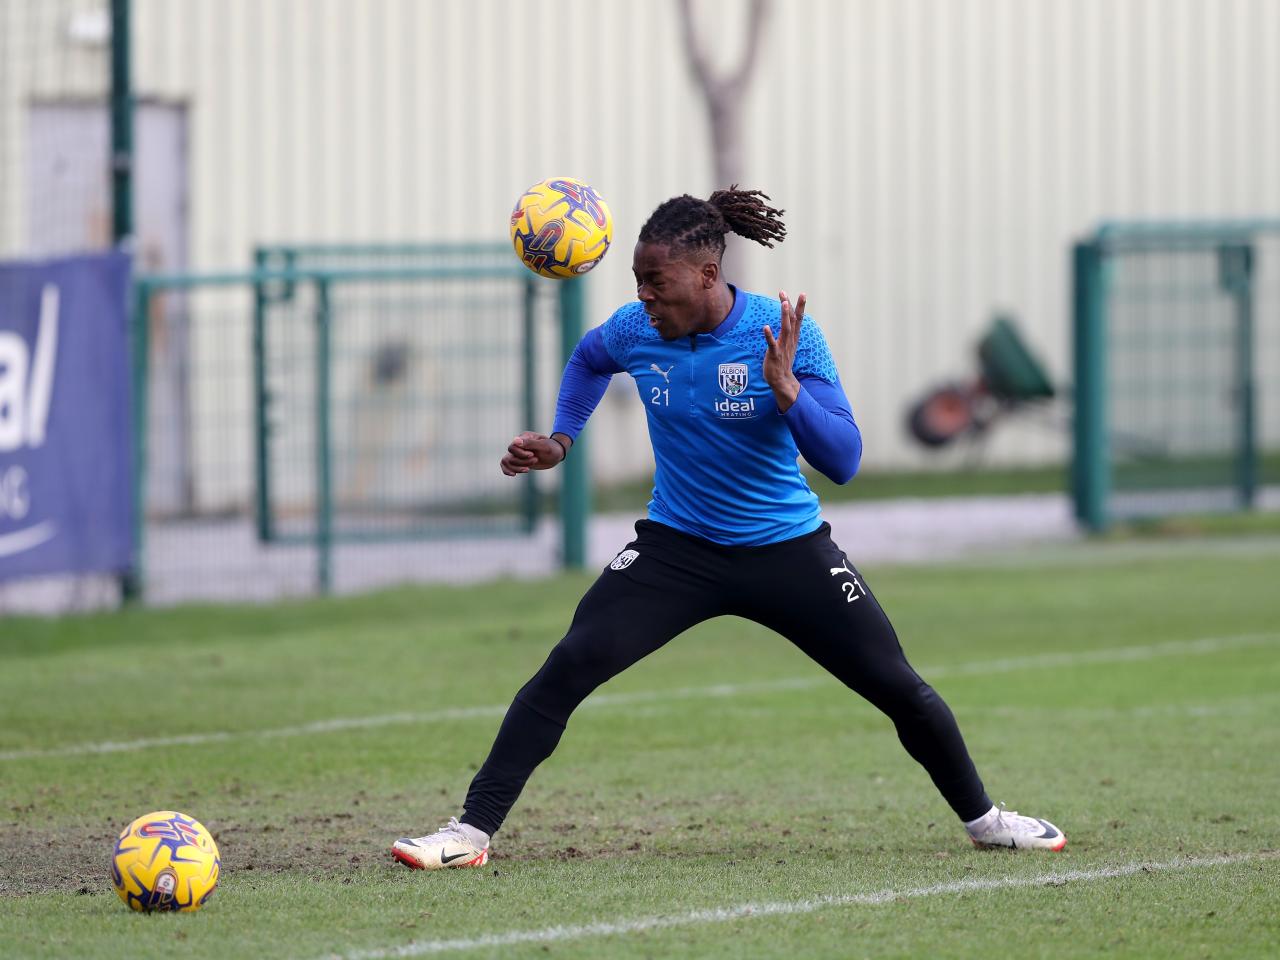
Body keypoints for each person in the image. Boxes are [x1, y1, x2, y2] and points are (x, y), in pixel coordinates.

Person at [391, 187, 1066, 870]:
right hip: (677, 550)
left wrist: (789, 394)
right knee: (566, 667)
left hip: (787, 551)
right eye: (637, 281)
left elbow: (844, 462)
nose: (643, 297)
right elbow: (590, 359)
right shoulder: (634, 330)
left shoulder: (782, 333)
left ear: (707, 275)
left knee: (899, 687)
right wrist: (562, 438)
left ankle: (987, 822)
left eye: (656, 282)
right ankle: (469, 834)